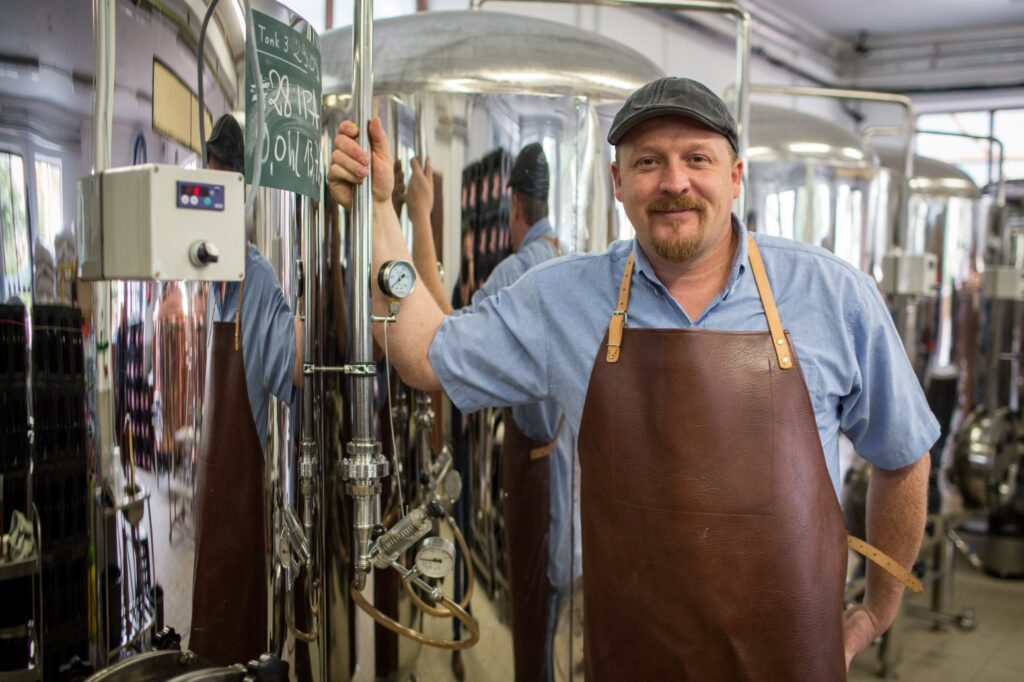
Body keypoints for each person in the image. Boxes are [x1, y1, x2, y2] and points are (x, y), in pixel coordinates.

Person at [327, 77, 937, 679]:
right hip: (632, 660)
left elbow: (903, 453)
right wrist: (381, 212)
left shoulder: (831, 294)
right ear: (618, 183)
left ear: (735, 176)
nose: (674, 182)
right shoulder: (565, 298)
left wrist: (875, 612)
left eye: (697, 158)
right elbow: (424, 354)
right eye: (649, 162)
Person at [406, 145, 577, 681]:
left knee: (533, 618)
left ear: (512, 205)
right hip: (571, 465)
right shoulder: (571, 261)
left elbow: (441, 338)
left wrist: (418, 219)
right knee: (555, 616)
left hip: (539, 470)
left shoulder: (518, 273)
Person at [189, 113, 303, 665]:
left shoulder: (257, 281)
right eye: (205, 189)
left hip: (241, 518)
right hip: (201, 515)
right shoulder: (191, 274)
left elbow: (293, 377)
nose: (212, 204)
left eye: (223, 190)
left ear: (241, 194)